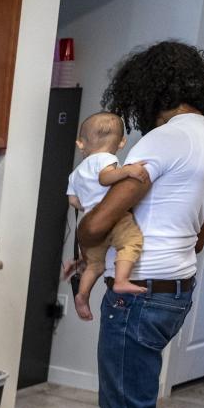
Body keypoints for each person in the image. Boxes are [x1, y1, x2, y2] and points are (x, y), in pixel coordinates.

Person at [59, 41, 204, 408]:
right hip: (175, 290)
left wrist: (87, 231)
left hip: (138, 297)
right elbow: (199, 235)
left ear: (149, 89)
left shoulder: (164, 139)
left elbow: (100, 219)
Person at [65, 111, 150, 320]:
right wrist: (127, 172)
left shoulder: (75, 173)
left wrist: (88, 202)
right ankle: (121, 280)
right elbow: (105, 178)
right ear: (122, 142)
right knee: (131, 242)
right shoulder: (107, 158)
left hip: (90, 221)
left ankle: (82, 295)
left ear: (80, 144)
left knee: (95, 265)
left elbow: (73, 201)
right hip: (113, 217)